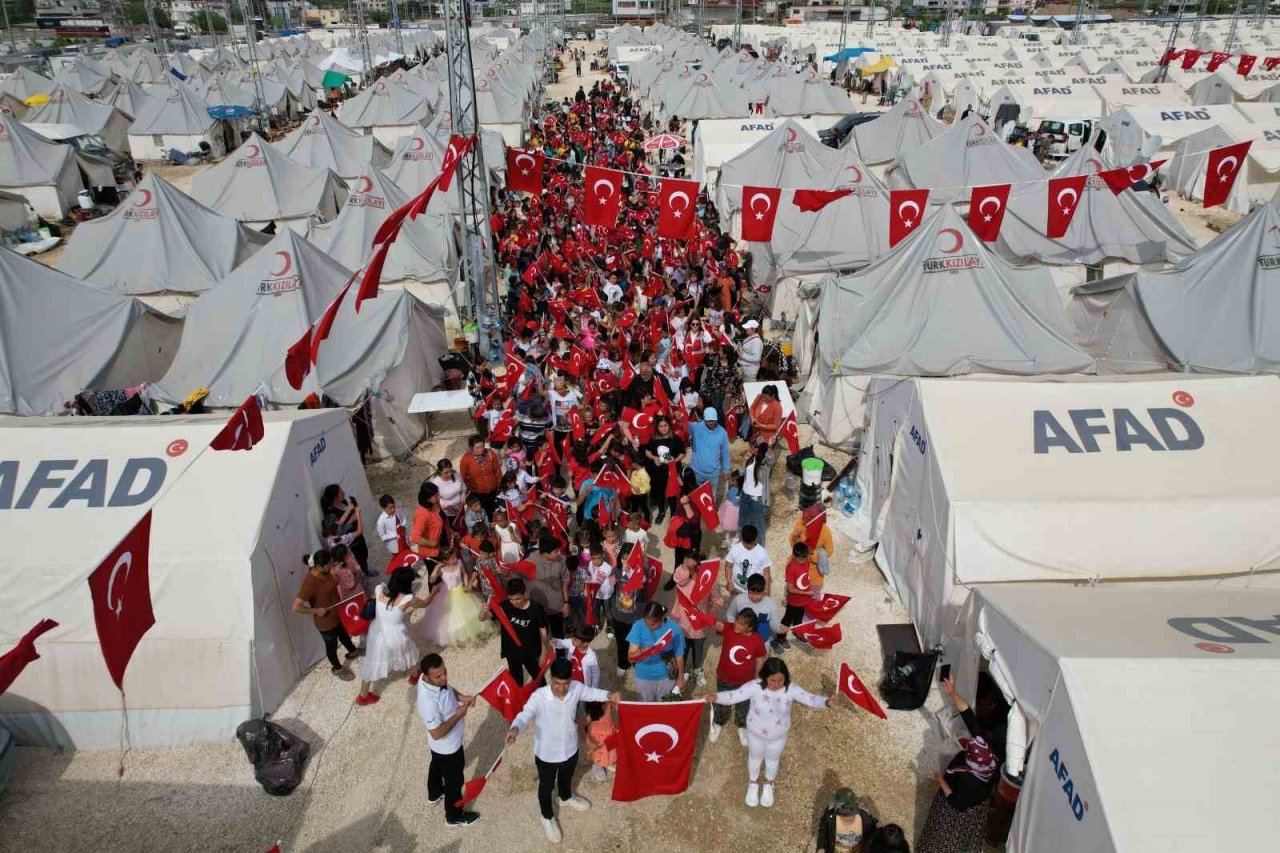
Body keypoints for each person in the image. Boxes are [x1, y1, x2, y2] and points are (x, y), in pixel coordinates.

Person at [506, 658, 619, 843]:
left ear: (570, 680)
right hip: (547, 754)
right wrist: (515, 728)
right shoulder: (539, 696)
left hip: (570, 748)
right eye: (558, 683)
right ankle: (547, 816)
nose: (562, 688)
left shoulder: (576, 687)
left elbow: (592, 693)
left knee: (567, 777)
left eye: (566, 684)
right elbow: (525, 714)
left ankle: (565, 797)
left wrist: (609, 695)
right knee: (546, 786)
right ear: (551, 679)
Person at [704, 658, 837, 809]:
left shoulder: (791, 689)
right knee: (755, 758)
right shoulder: (754, 687)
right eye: (772, 680)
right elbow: (734, 695)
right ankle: (753, 783)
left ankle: (769, 784)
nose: (777, 684)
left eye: (781, 680)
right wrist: (717, 697)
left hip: (778, 737)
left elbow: (810, 699)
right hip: (755, 734)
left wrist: (826, 702)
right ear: (764, 677)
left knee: (772, 760)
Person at [916, 675, 998, 853]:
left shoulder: (970, 781)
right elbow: (969, 718)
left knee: (944, 842)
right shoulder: (987, 758)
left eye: (968, 751)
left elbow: (956, 802)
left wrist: (941, 781)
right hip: (976, 807)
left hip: (957, 813)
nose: (967, 746)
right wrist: (952, 693)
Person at [416, 653, 480, 828]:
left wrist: (464, 698)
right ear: (427, 677)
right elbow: (436, 733)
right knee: (454, 782)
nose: (444, 677)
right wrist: (459, 714)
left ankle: (434, 793)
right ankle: (454, 816)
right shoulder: (427, 703)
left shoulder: (430, 681)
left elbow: (449, 690)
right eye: (439, 676)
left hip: (438, 748)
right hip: (449, 748)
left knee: (436, 766)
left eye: (445, 672)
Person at [357, 567, 437, 706]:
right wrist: (434, 592)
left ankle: (363, 696)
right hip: (396, 634)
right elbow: (424, 604)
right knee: (409, 652)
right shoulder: (408, 599)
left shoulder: (379, 589)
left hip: (376, 632)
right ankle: (414, 676)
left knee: (372, 662)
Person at [293, 548, 358, 679]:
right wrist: (316, 611)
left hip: (336, 614)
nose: (331, 566)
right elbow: (296, 607)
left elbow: (333, 581)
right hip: (325, 622)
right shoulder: (309, 583)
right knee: (331, 646)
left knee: (344, 635)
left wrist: (335, 572)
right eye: (328, 564)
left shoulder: (327, 571)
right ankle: (338, 669)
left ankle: (353, 651)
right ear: (318, 566)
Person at [706, 606, 767, 745]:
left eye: (741, 623)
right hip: (724, 678)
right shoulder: (729, 629)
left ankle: (742, 725)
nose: (736, 624)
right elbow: (716, 624)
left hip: (745, 683)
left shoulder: (757, 640)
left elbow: (759, 658)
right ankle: (719, 721)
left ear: (750, 628)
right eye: (737, 620)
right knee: (722, 703)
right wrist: (701, 614)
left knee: (743, 705)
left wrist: (758, 677)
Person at [414, 547, 493, 649]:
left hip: (461, 590)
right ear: (445, 561)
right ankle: (456, 635)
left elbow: (464, 574)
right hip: (448, 594)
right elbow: (432, 580)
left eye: (455, 557)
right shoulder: (442, 569)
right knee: (451, 616)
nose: (455, 559)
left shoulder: (459, 563)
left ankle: (469, 632)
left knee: (467, 612)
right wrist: (436, 569)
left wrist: (466, 584)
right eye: (452, 558)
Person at [493, 577, 551, 686]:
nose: (514, 602)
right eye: (511, 599)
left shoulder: (536, 608)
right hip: (512, 651)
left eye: (518, 599)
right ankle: (520, 701)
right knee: (516, 680)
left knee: (539, 679)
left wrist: (544, 653)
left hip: (531, 652)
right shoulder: (505, 606)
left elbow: (543, 630)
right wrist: (484, 613)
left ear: (525, 593)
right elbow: (485, 617)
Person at [626, 600, 686, 701]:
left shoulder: (674, 628)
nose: (649, 627)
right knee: (646, 708)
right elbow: (631, 658)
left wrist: (680, 677)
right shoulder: (638, 626)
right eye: (646, 622)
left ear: (661, 619)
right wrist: (643, 650)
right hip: (643, 677)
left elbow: (679, 654)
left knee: (664, 706)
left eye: (653, 624)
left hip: (666, 677)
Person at [529, 535, 571, 639]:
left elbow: (565, 582)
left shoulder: (561, 560)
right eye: (556, 551)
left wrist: (566, 603)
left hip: (556, 607)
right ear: (545, 553)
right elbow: (516, 579)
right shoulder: (529, 562)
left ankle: (561, 655)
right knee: (542, 637)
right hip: (538, 608)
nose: (559, 553)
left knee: (558, 634)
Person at [727, 574, 785, 648]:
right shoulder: (738, 599)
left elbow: (773, 622)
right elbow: (730, 615)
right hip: (742, 640)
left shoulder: (770, 603)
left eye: (758, 594)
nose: (754, 597)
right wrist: (734, 630)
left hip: (763, 641)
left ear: (764, 590)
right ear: (747, 589)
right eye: (751, 593)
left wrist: (779, 629)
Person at [790, 502, 835, 599]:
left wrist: (812, 552)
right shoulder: (801, 521)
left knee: (813, 592)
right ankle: (791, 600)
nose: (804, 521)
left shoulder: (825, 532)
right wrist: (794, 536)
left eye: (807, 520)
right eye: (804, 518)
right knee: (792, 586)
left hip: (813, 571)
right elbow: (792, 540)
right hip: (797, 562)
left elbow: (829, 551)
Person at [321, 484, 369, 573]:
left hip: (355, 532)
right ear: (335, 497)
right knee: (358, 559)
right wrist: (355, 515)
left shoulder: (343, 503)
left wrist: (353, 517)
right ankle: (364, 572)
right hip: (352, 537)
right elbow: (340, 525)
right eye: (340, 492)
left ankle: (365, 570)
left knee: (363, 553)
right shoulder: (331, 513)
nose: (343, 493)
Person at [816, 787, 880, 853]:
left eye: (850, 814)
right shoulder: (830, 816)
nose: (847, 817)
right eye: (844, 814)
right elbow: (823, 830)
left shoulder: (865, 818)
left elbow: (873, 837)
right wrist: (821, 847)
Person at [688, 407, 731, 495]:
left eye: (712, 420)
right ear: (704, 419)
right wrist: (680, 418)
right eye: (707, 421)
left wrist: (726, 469)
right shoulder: (697, 427)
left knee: (711, 497)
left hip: (713, 473)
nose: (710, 423)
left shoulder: (722, 433)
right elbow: (684, 424)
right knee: (697, 495)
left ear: (716, 419)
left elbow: (725, 452)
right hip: (697, 471)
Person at [724, 524, 772, 596]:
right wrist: (729, 581)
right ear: (742, 538)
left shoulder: (762, 553)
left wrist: (766, 588)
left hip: (755, 592)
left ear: (756, 539)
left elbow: (766, 572)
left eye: (751, 544)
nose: (749, 546)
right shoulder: (734, 549)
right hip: (737, 589)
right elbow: (728, 566)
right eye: (746, 544)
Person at [459, 435, 503, 515]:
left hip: (493, 491)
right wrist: (469, 488)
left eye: (482, 446)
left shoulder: (490, 453)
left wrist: (499, 485)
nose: (481, 449)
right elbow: (463, 477)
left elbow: (497, 471)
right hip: (478, 494)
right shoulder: (466, 459)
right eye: (477, 448)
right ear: (471, 448)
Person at [581, 700, 617, 782]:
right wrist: (588, 741)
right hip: (597, 741)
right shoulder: (590, 716)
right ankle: (597, 766)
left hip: (610, 736)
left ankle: (609, 762)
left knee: (611, 753)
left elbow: (616, 704)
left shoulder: (607, 705)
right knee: (599, 755)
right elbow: (581, 727)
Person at [411, 481, 447, 564]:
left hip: (443, 543)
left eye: (438, 494)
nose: (438, 497)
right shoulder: (422, 515)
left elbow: (442, 518)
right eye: (435, 496)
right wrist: (431, 544)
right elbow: (415, 537)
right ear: (427, 499)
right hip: (432, 553)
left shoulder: (435, 503)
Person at [431, 460, 466, 534]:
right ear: (440, 472)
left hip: (460, 509)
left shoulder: (456, 474)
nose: (450, 474)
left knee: (462, 527)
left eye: (450, 471)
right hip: (448, 513)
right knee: (454, 532)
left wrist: (463, 494)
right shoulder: (435, 483)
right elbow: (435, 499)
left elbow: (462, 485)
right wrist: (447, 507)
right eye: (446, 473)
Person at [736, 319, 764, 383]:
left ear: (753, 329)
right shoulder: (750, 336)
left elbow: (756, 358)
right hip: (746, 368)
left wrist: (742, 355)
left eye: (747, 328)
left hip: (750, 370)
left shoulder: (756, 342)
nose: (746, 329)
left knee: (749, 387)